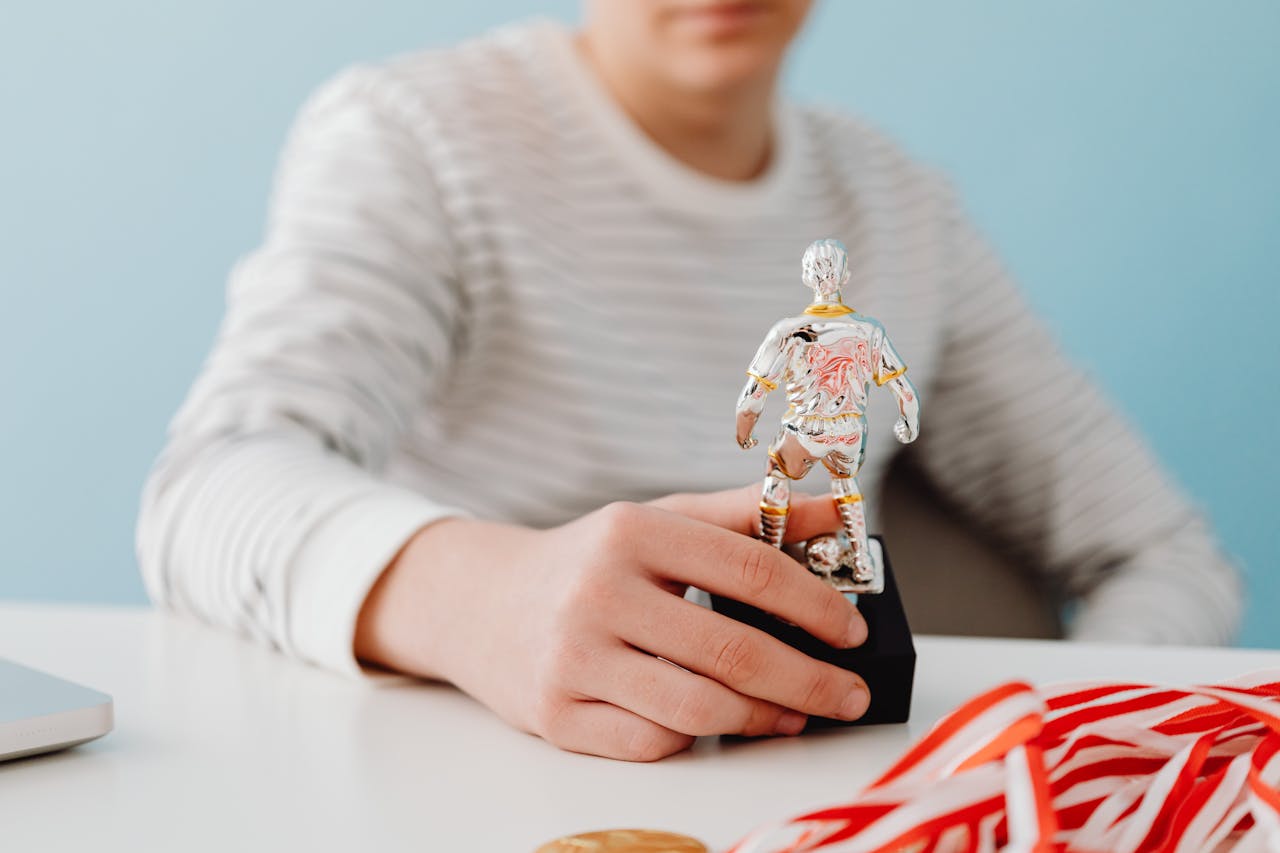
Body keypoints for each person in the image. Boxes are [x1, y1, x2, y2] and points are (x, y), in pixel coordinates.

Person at [137, 1, 1242, 762]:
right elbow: (208, 487)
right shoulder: (415, 135)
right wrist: (480, 598)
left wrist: (1047, 746)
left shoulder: (906, 211)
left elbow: (1158, 552)